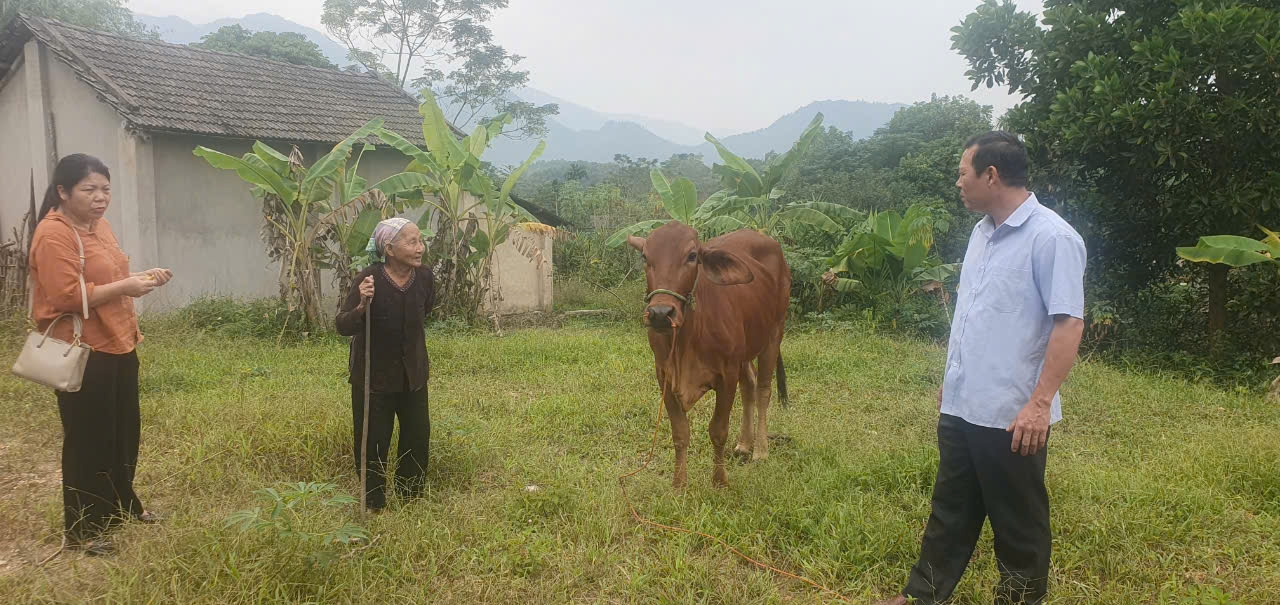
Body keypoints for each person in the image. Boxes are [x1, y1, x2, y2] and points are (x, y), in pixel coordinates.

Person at [875, 132, 1087, 605]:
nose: (958, 182)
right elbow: (976, 314)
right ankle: (921, 597)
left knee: (1018, 522)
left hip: (1013, 413)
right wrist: (953, 381)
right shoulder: (982, 232)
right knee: (950, 509)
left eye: (963, 172)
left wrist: (1039, 405)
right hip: (964, 401)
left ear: (991, 175)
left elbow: (1069, 323)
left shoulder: (1052, 237)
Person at [28, 154, 173, 556]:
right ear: (63, 191)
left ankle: (121, 507)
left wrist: (142, 277)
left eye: (105, 189)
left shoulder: (99, 226)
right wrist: (126, 287)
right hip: (83, 350)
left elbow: (107, 276)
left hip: (120, 342)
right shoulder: (52, 234)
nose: (100, 198)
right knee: (87, 440)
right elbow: (65, 296)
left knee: (123, 433)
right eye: (89, 189)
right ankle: (82, 528)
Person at [335, 217, 435, 512]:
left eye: (420, 241)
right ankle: (374, 502)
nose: (420, 248)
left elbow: (426, 309)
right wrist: (362, 306)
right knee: (373, 441)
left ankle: (410, 496)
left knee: (417, 436)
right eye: (412, 242)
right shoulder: (368, 280)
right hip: (374, 376)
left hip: (413, 373)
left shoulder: (425, 277)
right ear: (389, 249)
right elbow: (342, 325)